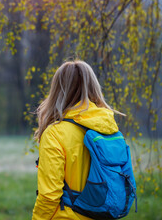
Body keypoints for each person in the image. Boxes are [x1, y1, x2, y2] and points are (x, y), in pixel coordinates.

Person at [32, 60, 124, 220]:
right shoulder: (108, 127)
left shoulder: (55, 133)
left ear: (57, 90)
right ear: (93, 87)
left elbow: (49, 196)